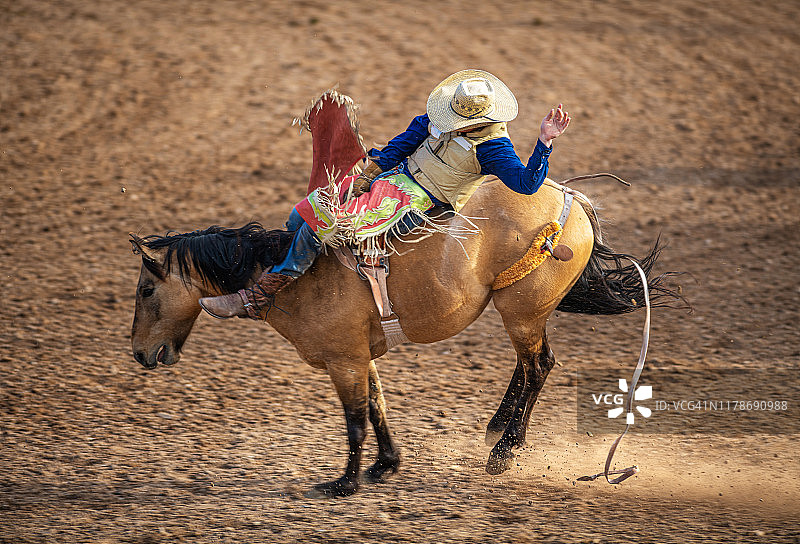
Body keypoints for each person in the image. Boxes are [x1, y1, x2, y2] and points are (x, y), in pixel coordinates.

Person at [199, 69, 570, 320]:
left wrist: (544, 142)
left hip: (421, 200)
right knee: (300, 215)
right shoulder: (437, 117)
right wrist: (369, 173)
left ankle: (259, 296)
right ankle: (296, 268)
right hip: (391, 179)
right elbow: (403, 144)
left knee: (327, 224)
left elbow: (526, 184)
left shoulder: (494, 148)